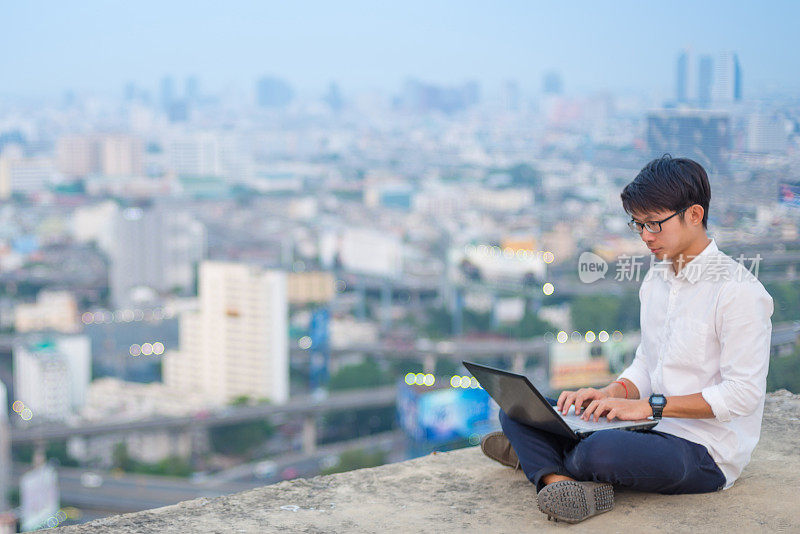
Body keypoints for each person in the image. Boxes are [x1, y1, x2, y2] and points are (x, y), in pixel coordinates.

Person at [480, 155, 774, 523]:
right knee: (520, 407)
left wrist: (651, 407)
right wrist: (610, 394)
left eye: (654, 224)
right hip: (647, 427)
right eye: (638, 224)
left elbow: (743, 395)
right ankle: (555, 477)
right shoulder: (657, 279)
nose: (646, 236)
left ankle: (540, 459)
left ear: (694, 215)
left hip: (705, 451)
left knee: (598, 452)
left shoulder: (738, 292)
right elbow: (648, 363)